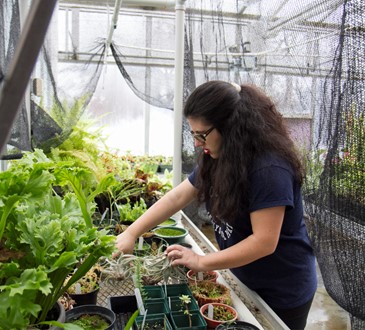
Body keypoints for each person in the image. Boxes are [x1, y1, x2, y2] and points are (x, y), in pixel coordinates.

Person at [115, 80, 317, 330]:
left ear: (232, 127)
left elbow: (264, 241)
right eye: (193, 134)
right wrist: (131, 232)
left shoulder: (269, 169)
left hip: (281, 292)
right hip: (244, 277)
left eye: (202, 134)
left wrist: (201, 261)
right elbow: (178, 197)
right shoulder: (222, 156)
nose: (198, 143)